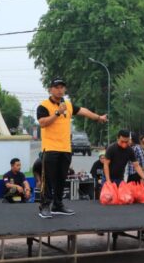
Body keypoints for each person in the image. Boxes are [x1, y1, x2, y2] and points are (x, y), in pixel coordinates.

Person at [36, 78, 107, 219]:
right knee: (49, 179)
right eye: (56, 87)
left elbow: (83, 111)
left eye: (62, 87)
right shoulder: (43, 106)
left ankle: (58, 205)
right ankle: (45, 206)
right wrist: (57, 113)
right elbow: (43, 123)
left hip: (65, 148)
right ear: (50, 89)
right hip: (50, 148)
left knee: (62, 178)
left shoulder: (67, 105)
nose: (60, 90)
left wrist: (98, 117)